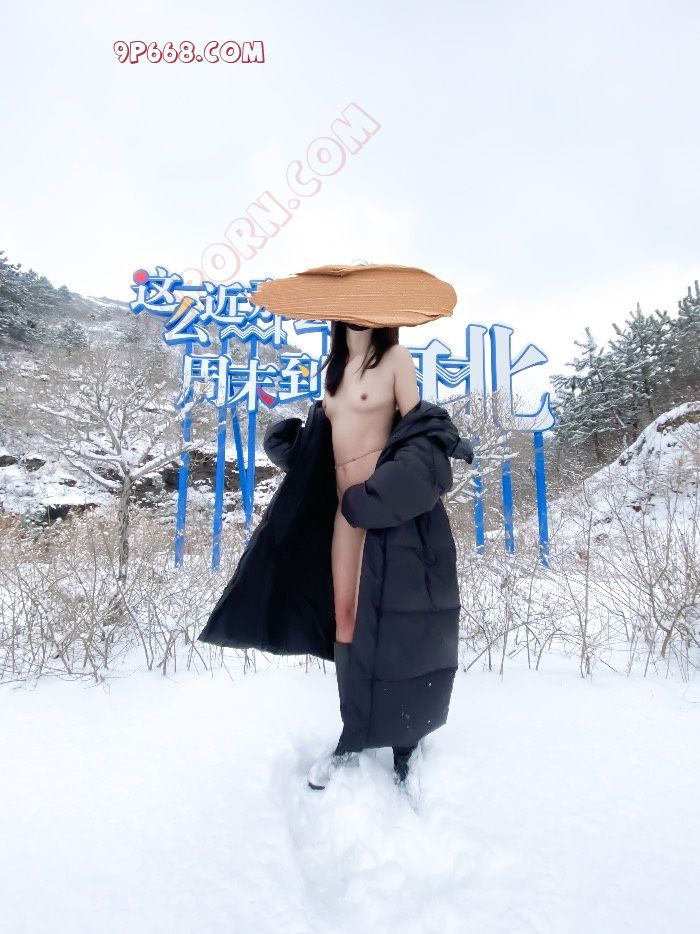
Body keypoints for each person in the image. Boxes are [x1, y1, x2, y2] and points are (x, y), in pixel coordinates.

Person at [196, 262, 474, 796]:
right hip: (344, 511)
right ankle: (356, 731)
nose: (359, 313)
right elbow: (330, 437)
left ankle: (405, 738)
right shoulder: (333, 369)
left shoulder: (395, 359)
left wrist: (392, 488)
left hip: (387, 513)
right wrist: (296, 449)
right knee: (345, 617)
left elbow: (419, 429)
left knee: (398, 621)